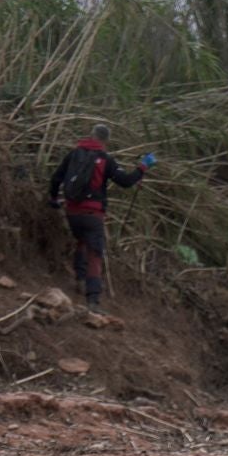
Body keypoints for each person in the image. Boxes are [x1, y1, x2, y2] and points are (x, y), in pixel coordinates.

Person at [48, 124, 154, 317]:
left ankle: (79, 280)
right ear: (106, 141)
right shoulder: (105, 160)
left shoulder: (74, 154)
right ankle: (93, 301)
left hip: (72, 213)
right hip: (93, 215)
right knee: (95, 254)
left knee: (81, 240)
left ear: (91, 135)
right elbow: (126, 181)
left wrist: (54, 200)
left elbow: (56, 178)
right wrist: (143, 167)